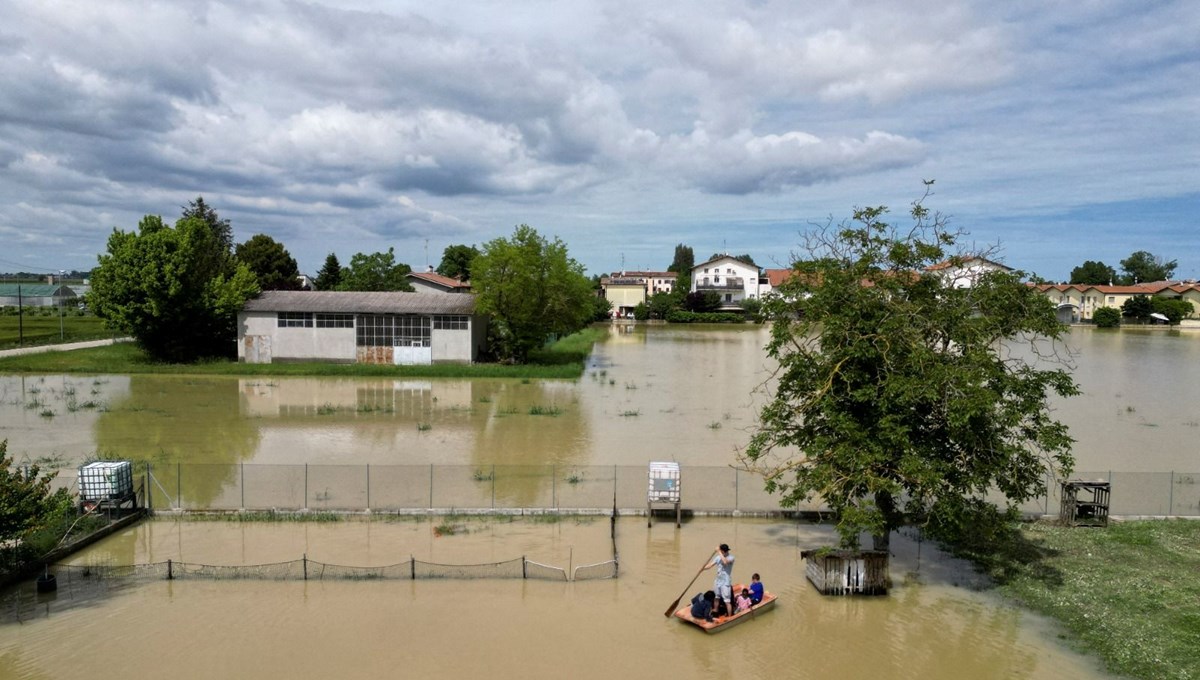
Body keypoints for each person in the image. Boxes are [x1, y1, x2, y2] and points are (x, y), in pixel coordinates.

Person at [702, 543, 735, 616]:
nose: (725, 552)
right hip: (718, 581)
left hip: (725, 582)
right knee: (716, 597)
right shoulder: (718, 557)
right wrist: (703, 568)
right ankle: (716, 611)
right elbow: (710, 565)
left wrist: (719, 552)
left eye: (723, 551)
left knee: (727, 601)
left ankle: (729, 616)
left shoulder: (731, 557)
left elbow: (725, 562)